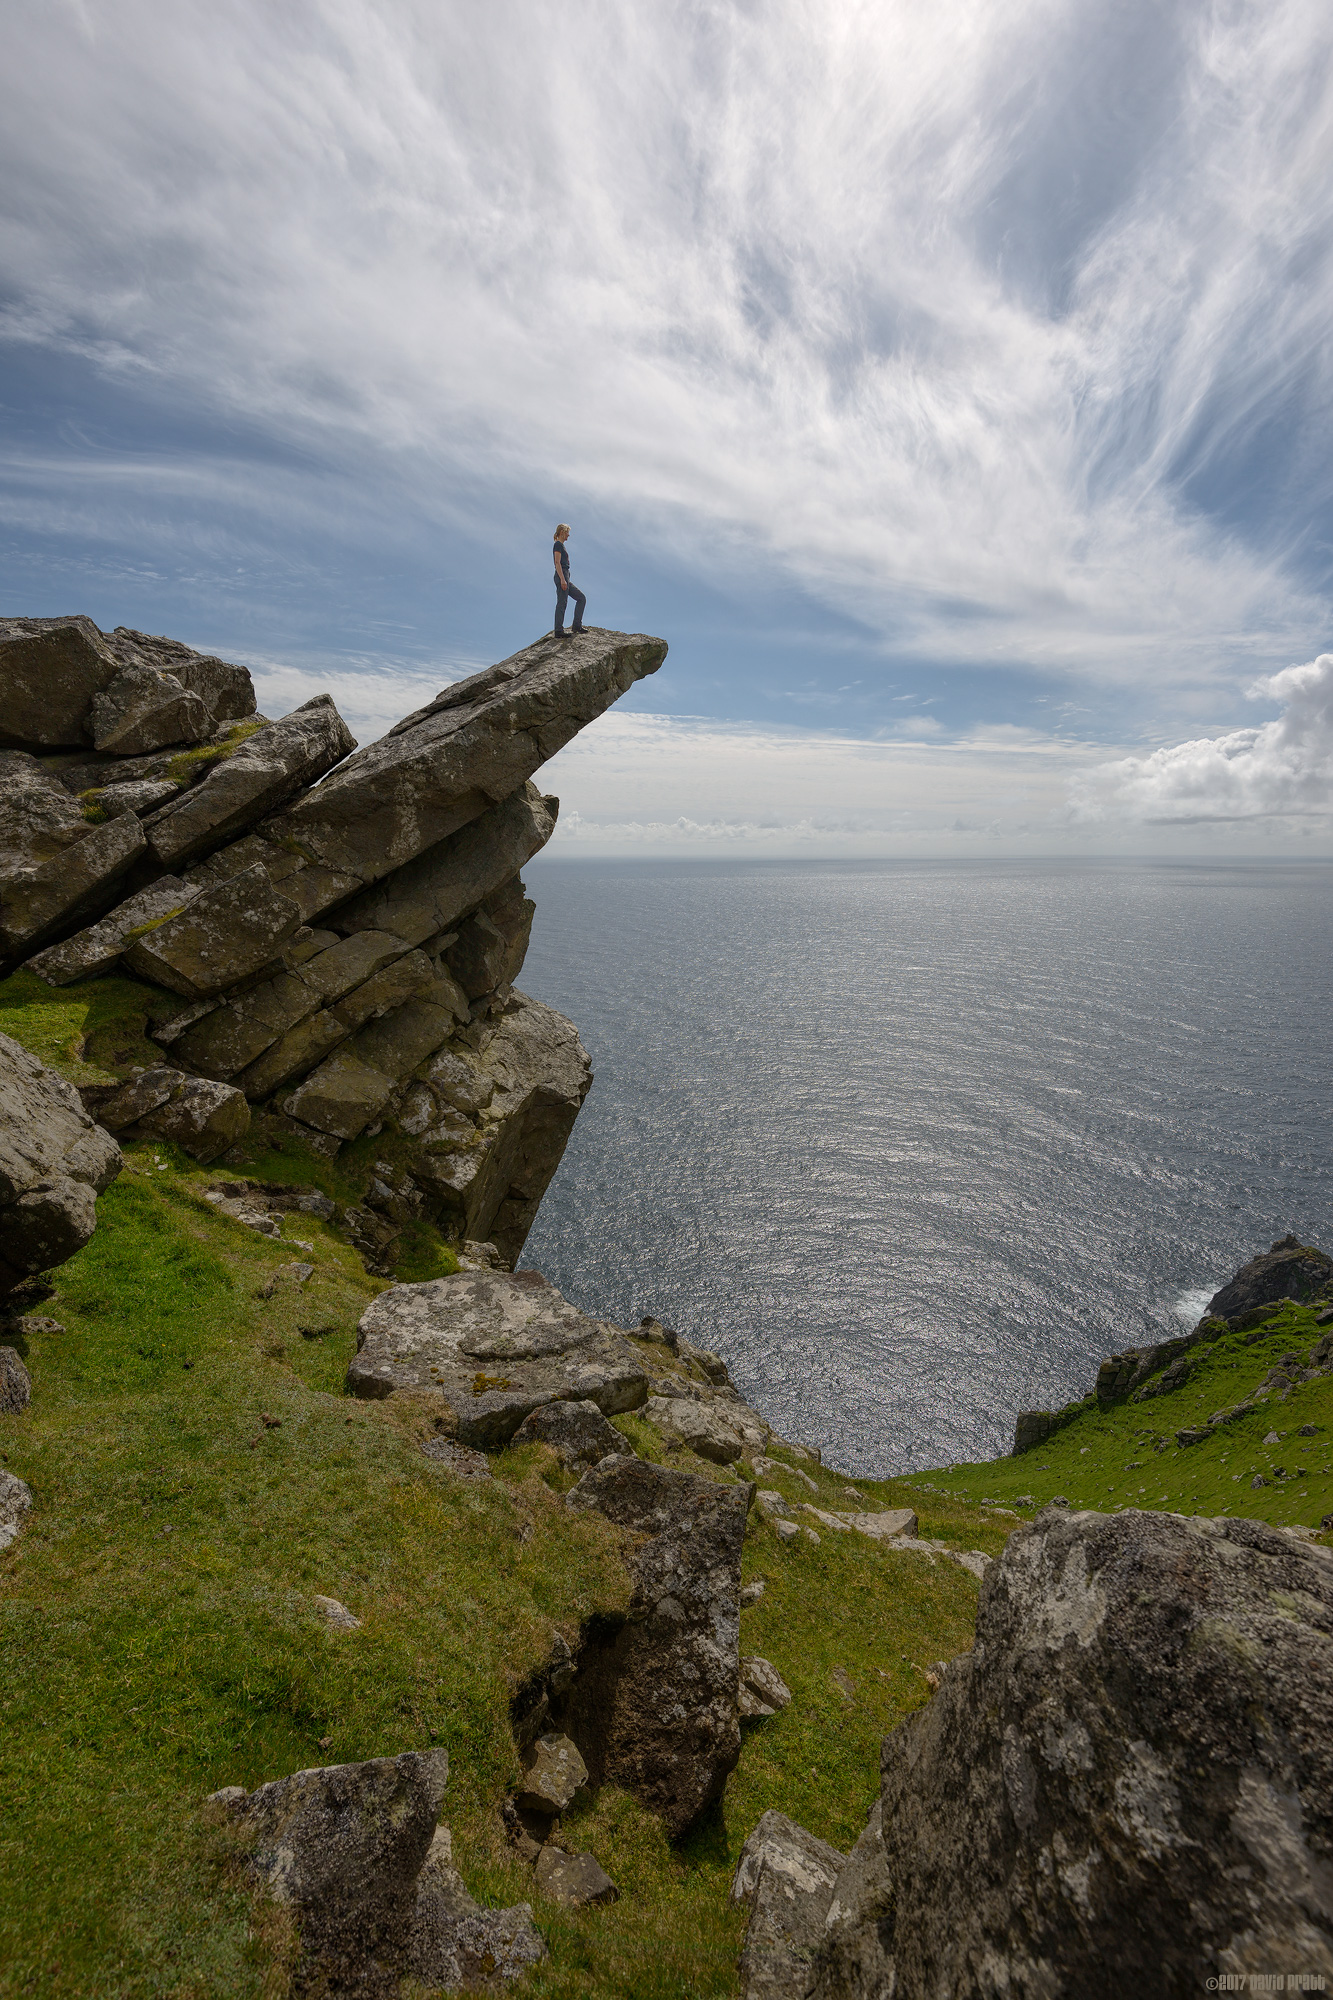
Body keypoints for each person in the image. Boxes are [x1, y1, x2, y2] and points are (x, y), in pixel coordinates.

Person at [552, 523, 586, 637]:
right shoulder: (558, 545)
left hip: (566, 575)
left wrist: (565, 578)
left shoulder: (561, 545)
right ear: (562, 532)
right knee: (562, 602)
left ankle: (576, 626)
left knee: (581, 598)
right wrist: (562, 579)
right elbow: (557, 563)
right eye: (567, 532)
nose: (568, 535)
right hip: (561, 574)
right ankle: (558, 631)